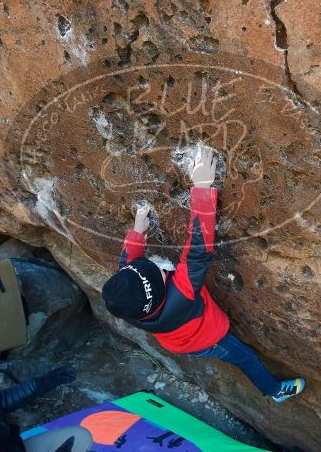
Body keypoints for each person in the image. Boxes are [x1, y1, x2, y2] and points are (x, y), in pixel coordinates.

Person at [101, 144, 305, 403]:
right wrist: (202, 190)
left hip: (177, 341)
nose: (162, 269)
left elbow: (127, 270)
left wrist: (137, 232)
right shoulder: (182, 293)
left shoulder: (125, 305)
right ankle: (275, 391)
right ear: (161, 291)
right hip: (209, 339)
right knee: (246, 358)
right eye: (160, 273)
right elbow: (198, 250)